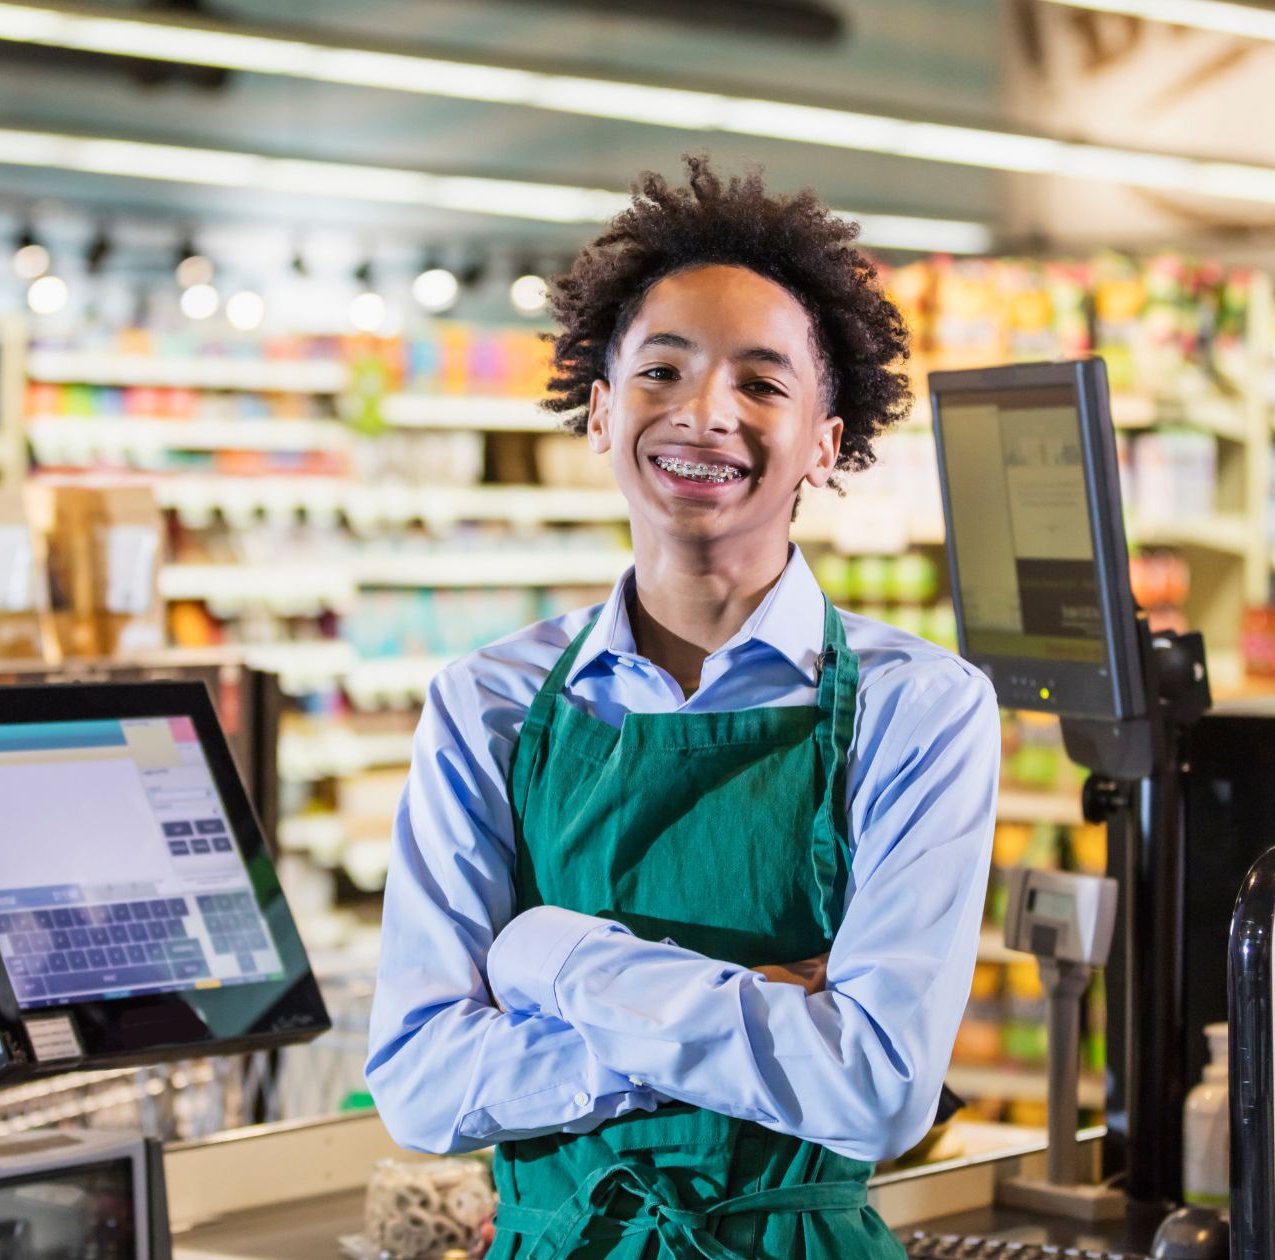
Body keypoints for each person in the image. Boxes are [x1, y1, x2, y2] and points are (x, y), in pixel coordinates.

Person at [365, 155, 1000, 1258]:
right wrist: (759, 1013)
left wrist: (554, 960)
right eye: (662, 371)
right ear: (601, 411)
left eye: (762, 384)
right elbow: (420, 1082)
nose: (704, 414)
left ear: (825, 443)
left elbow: (876, 1090)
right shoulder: (487, 705)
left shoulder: (919, 710)